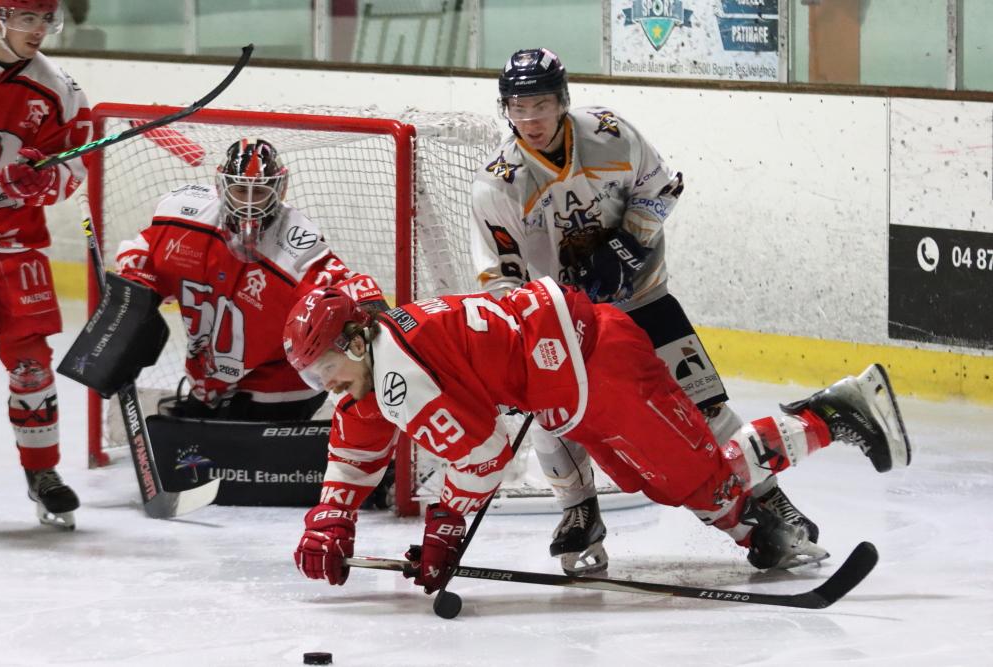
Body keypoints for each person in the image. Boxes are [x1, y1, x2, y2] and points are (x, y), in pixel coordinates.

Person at [283, 278, 910, 592]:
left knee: (699, 476)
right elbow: (357, 439)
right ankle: (759, 530)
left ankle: (836, 412)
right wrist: (330, 517)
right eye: (313, 375)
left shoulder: (396, 375)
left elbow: (483, 457)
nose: (324, 384)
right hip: (570, 379)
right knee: (656, 481)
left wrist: (445, 528)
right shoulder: (380, 351)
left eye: (324, 367)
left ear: (353, 342)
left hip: (597, 368)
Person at [468, 47, 750, 575]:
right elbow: (500, 278)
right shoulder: (498, 184)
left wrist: (625, 248)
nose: (531, 120)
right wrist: (529, 323)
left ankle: (766, 500)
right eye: (518, 107)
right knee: (551, 410)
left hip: (643, 295)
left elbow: (660, 188)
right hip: (563, 321)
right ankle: (578, 510)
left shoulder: (610, 133)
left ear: (563, 100)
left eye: (541, 105)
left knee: (704, 405)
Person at [114, 137, 388, 424]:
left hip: (279, 385)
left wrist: (381, 319)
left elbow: (346, 287)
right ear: (221, 186)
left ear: (279, 190)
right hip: (210, 377)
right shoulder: (184, 216)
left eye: (258, 192)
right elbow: (143, 251)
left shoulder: (296, 244)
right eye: (240, 190)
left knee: (232, 448)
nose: (247, 203)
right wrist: (133, 297)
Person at [0, 0, 89, 529]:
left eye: (46, 20)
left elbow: (74, 169)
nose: (40, 31)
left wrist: (42, 180)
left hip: (15, 250)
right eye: (27, 18)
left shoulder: (59, 91)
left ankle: (41, 472)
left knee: (30, 365)